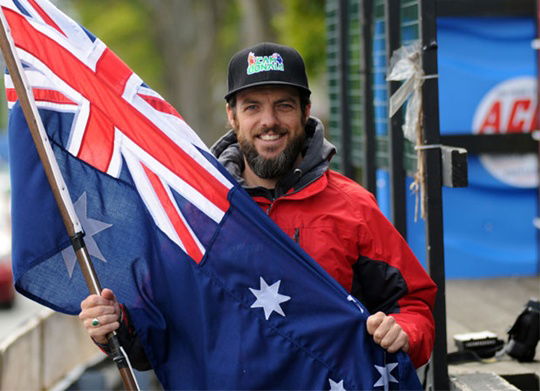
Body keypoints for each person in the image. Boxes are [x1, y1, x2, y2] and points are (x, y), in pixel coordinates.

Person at [79, 42, 437, 370]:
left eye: (283, 105)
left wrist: (403, 331)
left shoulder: (353, 207)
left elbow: (414, 305)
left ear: (305, 112)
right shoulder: (195, 214)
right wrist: (114, 326)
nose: (269, 121)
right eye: (253, 107)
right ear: (232, 116)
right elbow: (155, 339)